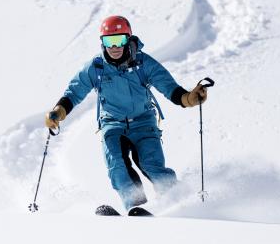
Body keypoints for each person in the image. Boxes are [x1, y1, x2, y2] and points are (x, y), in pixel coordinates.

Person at [45, 15, 209, 216]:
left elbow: (170, 88)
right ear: (102, 42)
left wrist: (189, 98)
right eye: (108, 41)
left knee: (152, 164)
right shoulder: (96, 68)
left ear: (128, 39)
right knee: (117, 165)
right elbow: (74, 92)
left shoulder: (144, 63)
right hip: (113, 125)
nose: (114, 47)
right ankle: (135, 206)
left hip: (143, 122)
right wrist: (59, 111)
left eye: (119, 40)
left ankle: (179, 201)